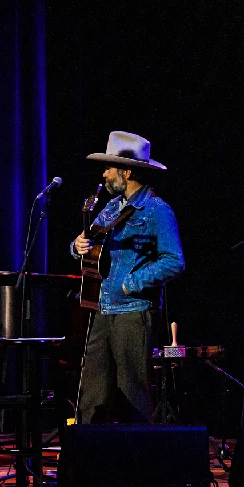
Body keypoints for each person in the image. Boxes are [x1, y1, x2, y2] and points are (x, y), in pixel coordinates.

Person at [71, 131, 184, 424]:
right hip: (103, 309)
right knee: (91, 396)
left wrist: (131, 283)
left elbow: (174, 261)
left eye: (110, 167)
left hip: (134, 313)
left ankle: (138, 465)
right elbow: (88, 244)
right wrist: (77, 246)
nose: (105, 173)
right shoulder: (110, 208)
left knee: (133, 395)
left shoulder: (158, 210)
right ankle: (85, 464)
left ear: (128, 171)